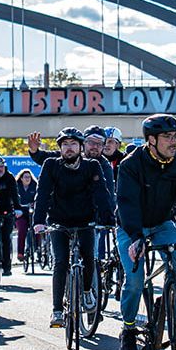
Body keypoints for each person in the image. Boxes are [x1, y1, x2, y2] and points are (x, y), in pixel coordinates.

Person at [116, 115, 176, 350]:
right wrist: (135, 237)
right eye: (167, 137)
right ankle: (129, 330)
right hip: (131, 227)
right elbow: (127, 204)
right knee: (135, 279)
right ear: (151, 140)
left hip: (161, 223)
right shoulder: (131, 164)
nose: (173, 142)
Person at [32, 128, 114, 327]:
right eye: (65, 145)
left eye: (73, 145)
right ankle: (57, 311)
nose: (69, 149)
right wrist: (38, 221)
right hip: (59, 222)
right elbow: (42, 194)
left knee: (89, 259)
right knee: (60, 262)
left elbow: (101, 193)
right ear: (60, 148)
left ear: (80, 147)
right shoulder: (51, 165)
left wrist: (108, 220)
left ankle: (87, 292)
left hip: (85, 221)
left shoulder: (92, 166)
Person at [0, 156, 21, 275]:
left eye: (1, 167)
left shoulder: (9, 177)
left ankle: (7, 267)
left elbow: (15, 194)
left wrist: (17, 208)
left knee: (6, 238)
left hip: (6, 209)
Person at [15, 168, 37, 261]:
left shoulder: (35, 186)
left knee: (37, 228)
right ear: (21, 178)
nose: (28, 179)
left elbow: (39, 197)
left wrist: (35, 203)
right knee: (22, 230)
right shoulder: (16, 187)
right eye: (25, 177)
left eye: (29, 177)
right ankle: (20, 253)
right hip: (20, 213)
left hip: (32, 212)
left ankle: (36, 248)